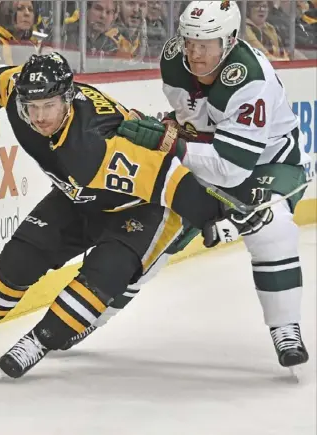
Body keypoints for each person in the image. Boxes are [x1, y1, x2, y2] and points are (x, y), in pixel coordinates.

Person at [0, 51, 272, 380]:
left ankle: (38, 341)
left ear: (68, 98)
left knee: (104, 274)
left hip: (140, 206)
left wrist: (217, 214)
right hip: (78, 194)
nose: (40, 117)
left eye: (49, 106)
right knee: (22, 255)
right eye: (32, 107)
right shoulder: (21, 92)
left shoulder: (96, 144)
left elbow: (172, 181)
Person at [117, 1, 311, 371]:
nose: (194, 52)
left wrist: (170, 143)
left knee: (273, 228)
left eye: (206, 44)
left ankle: (286, 328)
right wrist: (176, 130)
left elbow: (233, 169)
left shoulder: (251, 79)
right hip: (209, 149)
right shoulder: (173, 58)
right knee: (155, 229)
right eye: (189, 41)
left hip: (265, 159)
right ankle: (93, 316)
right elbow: (190, 117)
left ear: (232, 41)